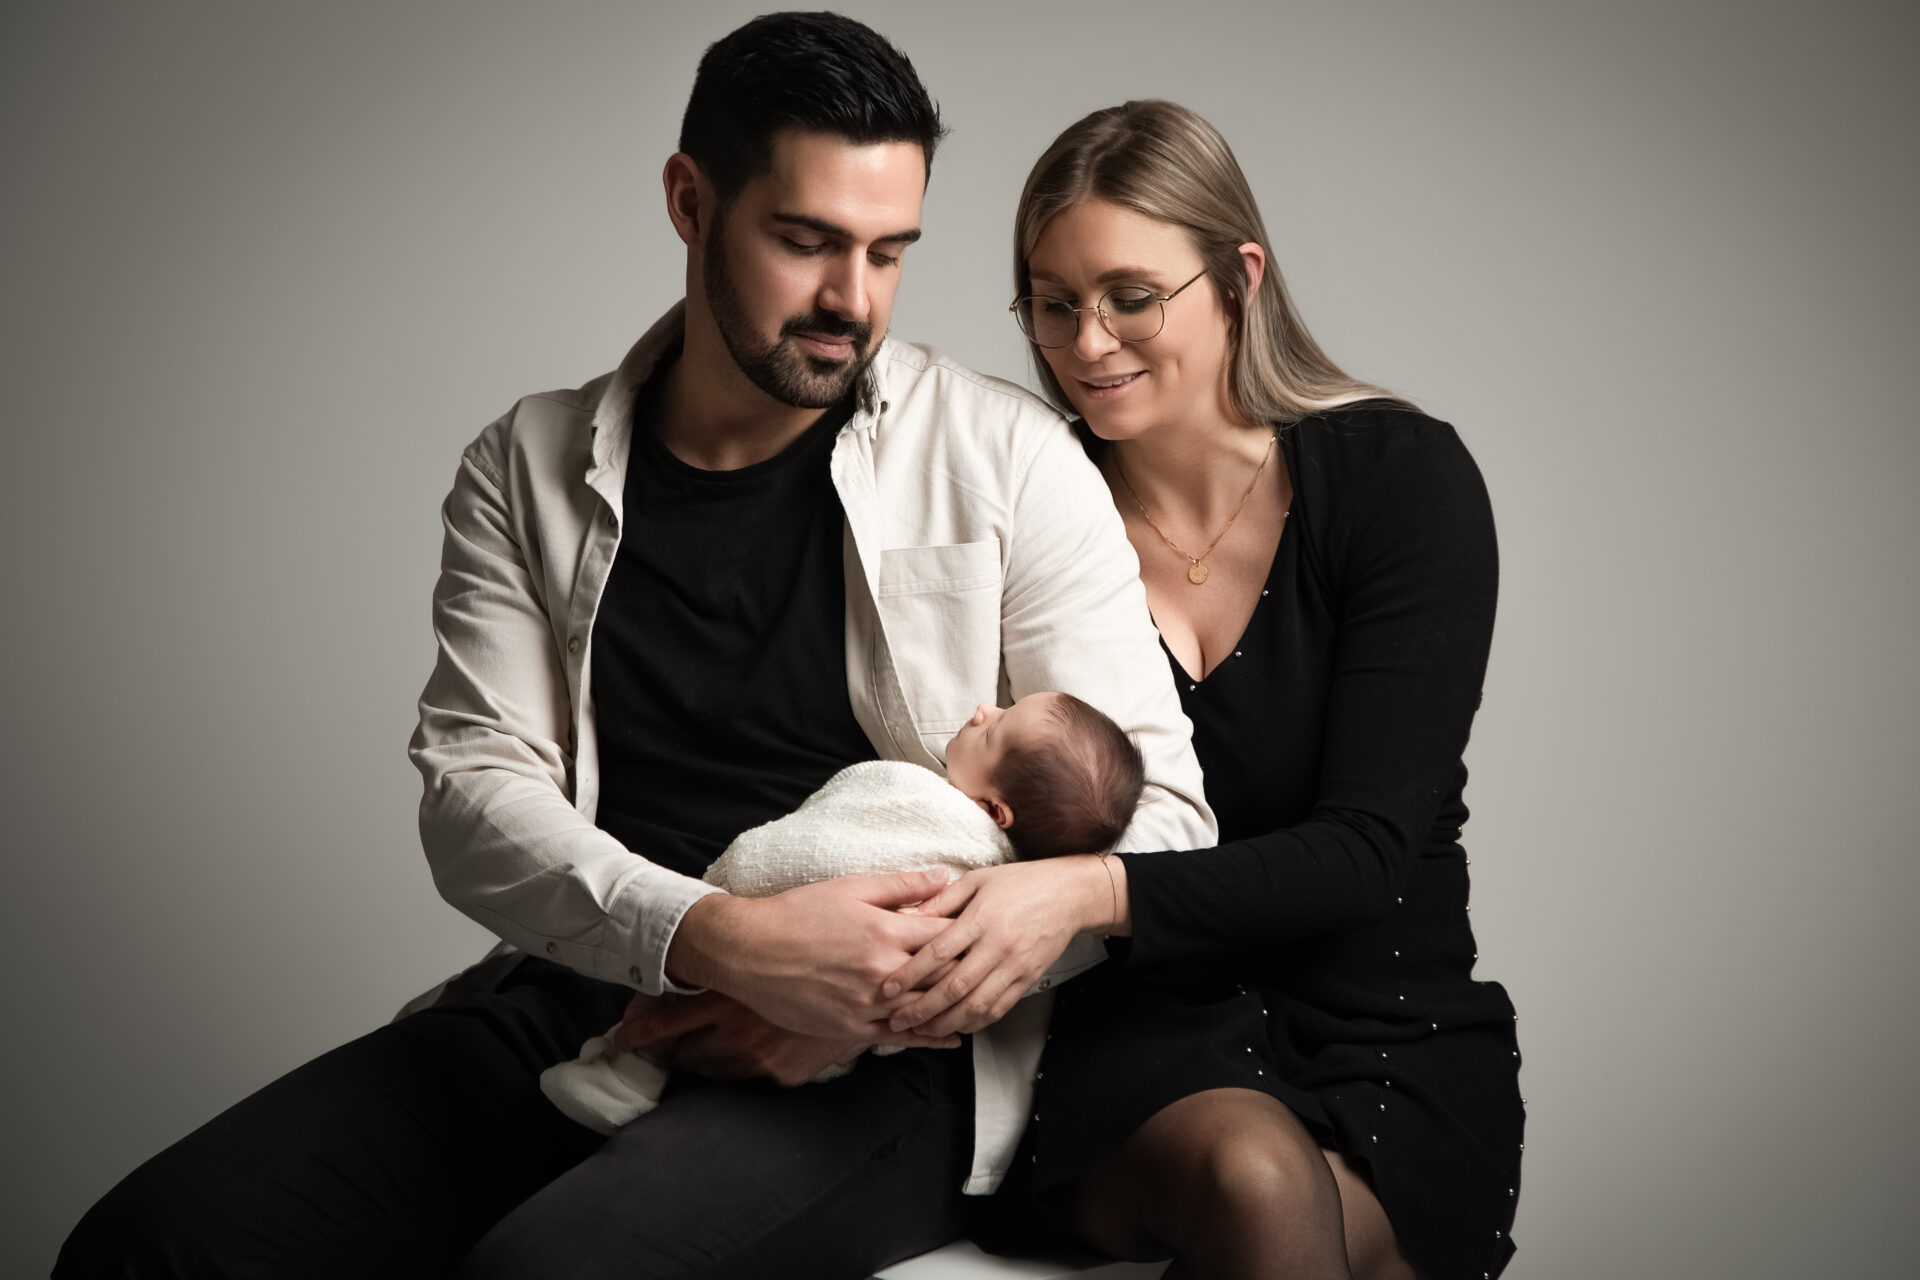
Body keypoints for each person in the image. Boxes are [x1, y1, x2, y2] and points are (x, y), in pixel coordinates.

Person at [54, 22, 1211, 1280]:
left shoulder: (1003, 455)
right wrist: (727, 940)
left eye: (889, 252)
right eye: (807, 240)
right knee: (148, 1247)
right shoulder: (525, 465)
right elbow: (474, 793)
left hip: (871, 1070)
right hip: (583, 992)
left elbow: (1161, 818)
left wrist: (865, 994)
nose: (852, 299)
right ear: (690, 201)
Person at [881, 100, 1525, 1279]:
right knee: (1256, 1178)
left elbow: (1368, 849)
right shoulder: (1035, 504)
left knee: (1307, 1214)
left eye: (1132, 295)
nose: (1086, 342)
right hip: (1139, 1036)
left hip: (1383, 1023)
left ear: (1240, 278)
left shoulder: (1399, 479)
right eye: (1052, 302)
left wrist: (1084, 885)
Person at [542, 691, 1147, 1135]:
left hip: (832, 1022)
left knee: (675, 1007)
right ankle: (633, 1069)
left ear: (995, 813)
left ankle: (628, 1067)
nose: (984, 709)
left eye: (997, 729)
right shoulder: (939, 808)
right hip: (738, 946)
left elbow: (905, 926)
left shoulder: (959, 851)